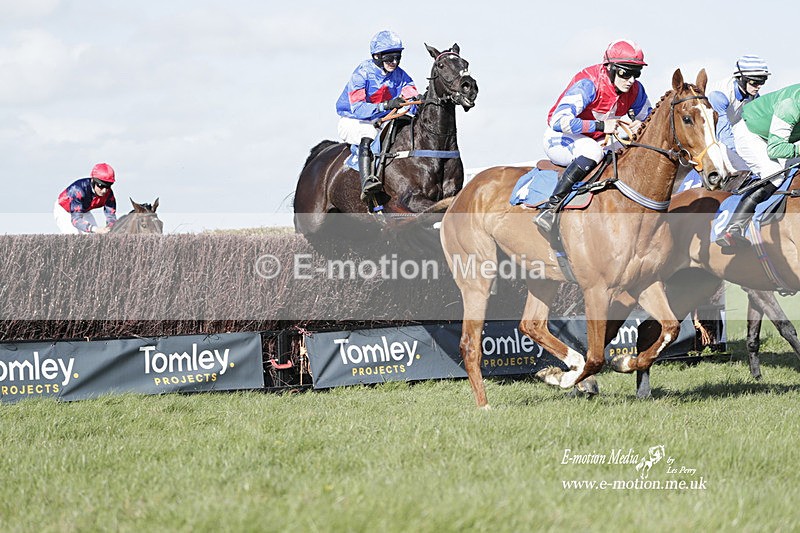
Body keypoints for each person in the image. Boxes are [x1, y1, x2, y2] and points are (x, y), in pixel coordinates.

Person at [535, 39, 653, 233]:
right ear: (610, 68)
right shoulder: (589, 84)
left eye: (636, 73)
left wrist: (643, 124)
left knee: (631, 151)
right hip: (560, 137)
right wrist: (601, 125)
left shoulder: (635, 90)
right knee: (592, 152)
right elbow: (557, 121)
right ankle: (551, 208)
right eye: (625, 73)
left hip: (596, 138)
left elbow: (650, 118)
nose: (631, 80)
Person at [335, 30, 419, 201]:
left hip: (382, 119)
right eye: (389, 58)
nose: (394, 62)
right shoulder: (361, 74)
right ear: (377, 56)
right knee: (369, 134)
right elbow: (358, 108)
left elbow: (411, 95)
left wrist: (417, 101)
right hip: (354, 119)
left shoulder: (400, 75)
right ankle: (367, 182)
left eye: (397, 57)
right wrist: (386, 105)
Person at [716, 83, 800, 247]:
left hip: (775, 138)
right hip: (751, 133)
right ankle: (733, 228)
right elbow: (775, 150)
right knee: (775, 174)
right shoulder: (791, 104)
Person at [707, 55, 771, 169]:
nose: (758, 87)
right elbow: (724, 136)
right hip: (710, 138)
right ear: (740, 79)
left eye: (762, 81)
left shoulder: (754, 96)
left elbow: (761, 127)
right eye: (754, 82)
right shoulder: (719, 96)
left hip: (727, 134)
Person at [54, 163, 117, 234]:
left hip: (84, 210)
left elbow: (111, 217)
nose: (104, 191)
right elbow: (76, 220)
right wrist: (96, 229)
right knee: (74, 236)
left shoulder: (109, 194)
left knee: (95, 237)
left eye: (108, 186)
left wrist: (110, 229)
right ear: (93, 181)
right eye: (101, 185)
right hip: (65, 211)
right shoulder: (77, 190)